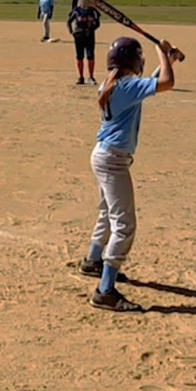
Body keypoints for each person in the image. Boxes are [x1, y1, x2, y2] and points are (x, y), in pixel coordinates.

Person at [77, 36, 179, 312]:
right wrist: (162, 53)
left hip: (104, 155)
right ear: (134, 60)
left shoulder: (114, 84)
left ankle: (93, 261)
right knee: (124, 224)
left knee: (107, 213)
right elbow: (167, 83)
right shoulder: (127, 86)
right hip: (113, 161)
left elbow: (153, 84)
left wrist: (167, 60)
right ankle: (105, 291)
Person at [67, 0, 102, 85]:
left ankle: (91, 77)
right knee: (79, 56)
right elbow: (69, 21)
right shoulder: (77, 11)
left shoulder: (93, 11)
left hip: (89, 36)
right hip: (79, 36)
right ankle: (81, 77)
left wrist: (91, 29)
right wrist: (71, 31)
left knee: (90, 56)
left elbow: (98, 23)